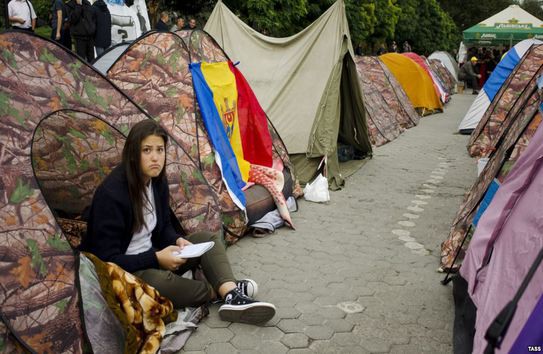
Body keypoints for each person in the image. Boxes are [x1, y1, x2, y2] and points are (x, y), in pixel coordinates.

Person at [80, 120, 276, 324]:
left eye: (160, 150)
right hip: (127, 271)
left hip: (156, 254)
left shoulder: (156, 182)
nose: (155, 157)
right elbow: (107, 259)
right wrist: (156, 259)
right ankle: (224, 291)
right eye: (147, 150)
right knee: (158, 282)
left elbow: (163, 226)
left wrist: (177, 240)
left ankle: (229, 294)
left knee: (207, 239)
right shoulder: (112, 195)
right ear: (133, 154)